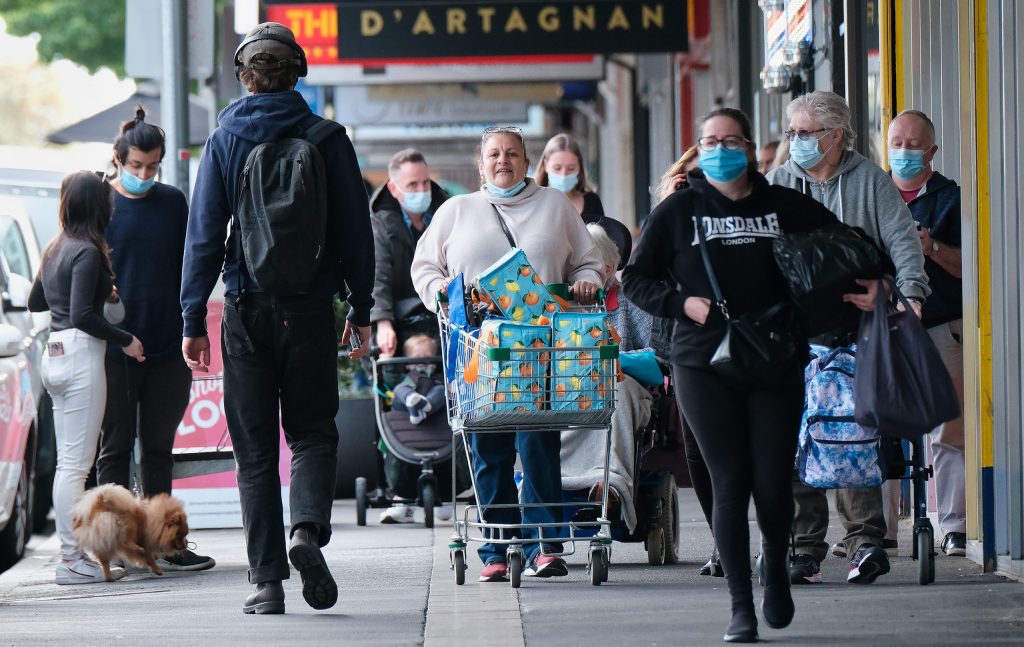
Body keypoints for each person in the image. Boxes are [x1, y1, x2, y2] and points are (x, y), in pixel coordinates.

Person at [623, 107, 879, 643]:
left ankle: (777, 576)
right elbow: (636, 280)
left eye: (732, 140)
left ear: (747, 146)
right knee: (729, 481)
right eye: (710, 141)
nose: (721, 149)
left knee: (771, 480)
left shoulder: (785, 204)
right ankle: (741, 605)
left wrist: (862, 292)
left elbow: (845, 252)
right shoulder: (678, 213)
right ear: (699, 148)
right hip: (702, 362)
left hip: (774, 360)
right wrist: (681, 304)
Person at [180, 22, 374, 614]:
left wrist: (192, 318)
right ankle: (305, 532)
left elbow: (204, 236)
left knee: (256, 450)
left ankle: (267, 582)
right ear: (298, 72)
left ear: (244, 74)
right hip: (311, 310)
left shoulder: (224, 139)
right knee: (313, 431)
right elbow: (355, 232)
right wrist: (360, 308)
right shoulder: (328, 136)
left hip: (245, 310)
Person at [411, 125, 603, 583]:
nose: (503, 161)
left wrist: (587, 281)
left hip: (542, 345)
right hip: (480, 347)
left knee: (539, 442)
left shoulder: (555, 207)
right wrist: (442, 291)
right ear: (481, 165)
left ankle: (544, 546)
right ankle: (496, 545)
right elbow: (425, 268)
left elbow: (590, 259)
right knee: (488, 443)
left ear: (526, 160)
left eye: (512, 153)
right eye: (494, 154)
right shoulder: (456, 211)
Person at [767, 90, 930, 586]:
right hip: (791, 331)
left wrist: (908, 297)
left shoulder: (870, 182)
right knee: (796, 430)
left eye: (805, 134)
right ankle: (804, 546)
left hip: (855, 327)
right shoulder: (779, 182)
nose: (795, 141)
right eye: (791, 133)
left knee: (853, 426)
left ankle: (865, 541)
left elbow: (903, 242)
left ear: (836, 136)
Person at [95, 107, 215, 573]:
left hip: (167, 342)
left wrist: (194, 324)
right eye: (136, 166)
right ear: (119, 159)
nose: (145, 175)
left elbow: (190, 265)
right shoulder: (101, 203)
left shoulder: (172, 202)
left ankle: (167, 545)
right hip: (115, 347)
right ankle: (111, 547)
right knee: (116, 447)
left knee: (160, 448)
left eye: (153, 167)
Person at [29, 171, 147, 584]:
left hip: (54, 355)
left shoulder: (55, 246)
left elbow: (35, 301)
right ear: (98, 207)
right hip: (80, 356)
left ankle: (72, 556)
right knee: (75, 467)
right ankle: (71, 559)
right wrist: (127, 339)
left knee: (70, 463)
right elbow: (83, 315)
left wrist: (100, 292)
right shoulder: (87, 250)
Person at [887, 109, 966, 557]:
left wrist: (930, 246)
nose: (903, 153)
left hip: (941, 327)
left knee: (947, 429)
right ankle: (879, 532)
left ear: (931, 151)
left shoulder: (950, 199)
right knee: (880, 425)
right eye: (896, 143)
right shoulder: (873, 193)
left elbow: (968, 266)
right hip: (885, 327)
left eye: (912, 145)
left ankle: (952, 525)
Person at [368, 148, 451, 524]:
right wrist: (382, 322)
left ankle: (451, 483)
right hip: (401, 321)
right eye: (412, 184)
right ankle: (400, 489)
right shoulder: (381, 223)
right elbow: (379, 277)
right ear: (394, 189)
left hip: (443, 315)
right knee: (397, 387)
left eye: (425, 182)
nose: (422, 189)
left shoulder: (447, 214)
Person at [559, 223, 657, 532]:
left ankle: (610, 481)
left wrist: (613, 359)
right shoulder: (559, 300)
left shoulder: (630, 299)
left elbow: (656, 353)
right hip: (571, 389)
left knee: (611, 386)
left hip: (624, 386)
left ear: (610, 267)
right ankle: (552, 479)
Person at [651, 145, 721, 576]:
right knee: (699, 450)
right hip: (688, 348)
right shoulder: (669, 221)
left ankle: (776, 541)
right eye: (688, 178)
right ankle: (724, 541)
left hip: (746, 345)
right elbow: (646, 281)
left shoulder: (744, 217)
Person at [534, 133, 633, 270]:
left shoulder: (591, 201)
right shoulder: (532, 201)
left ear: (579, 167)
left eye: (571, 168)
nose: (563, 175)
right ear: (545, 165)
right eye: (557, 168)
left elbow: (602, 245)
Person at [389, 334, 446, 425]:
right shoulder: (404, 377)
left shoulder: (438, 377)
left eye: (427, 358)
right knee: (399, 388)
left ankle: (423, 409)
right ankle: (412, 399)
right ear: (407, 364)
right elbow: (390, 379)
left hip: (432, 406)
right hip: (404, 407)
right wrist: (387, 358)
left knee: (443, 390)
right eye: (417, 358)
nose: (422, 361)